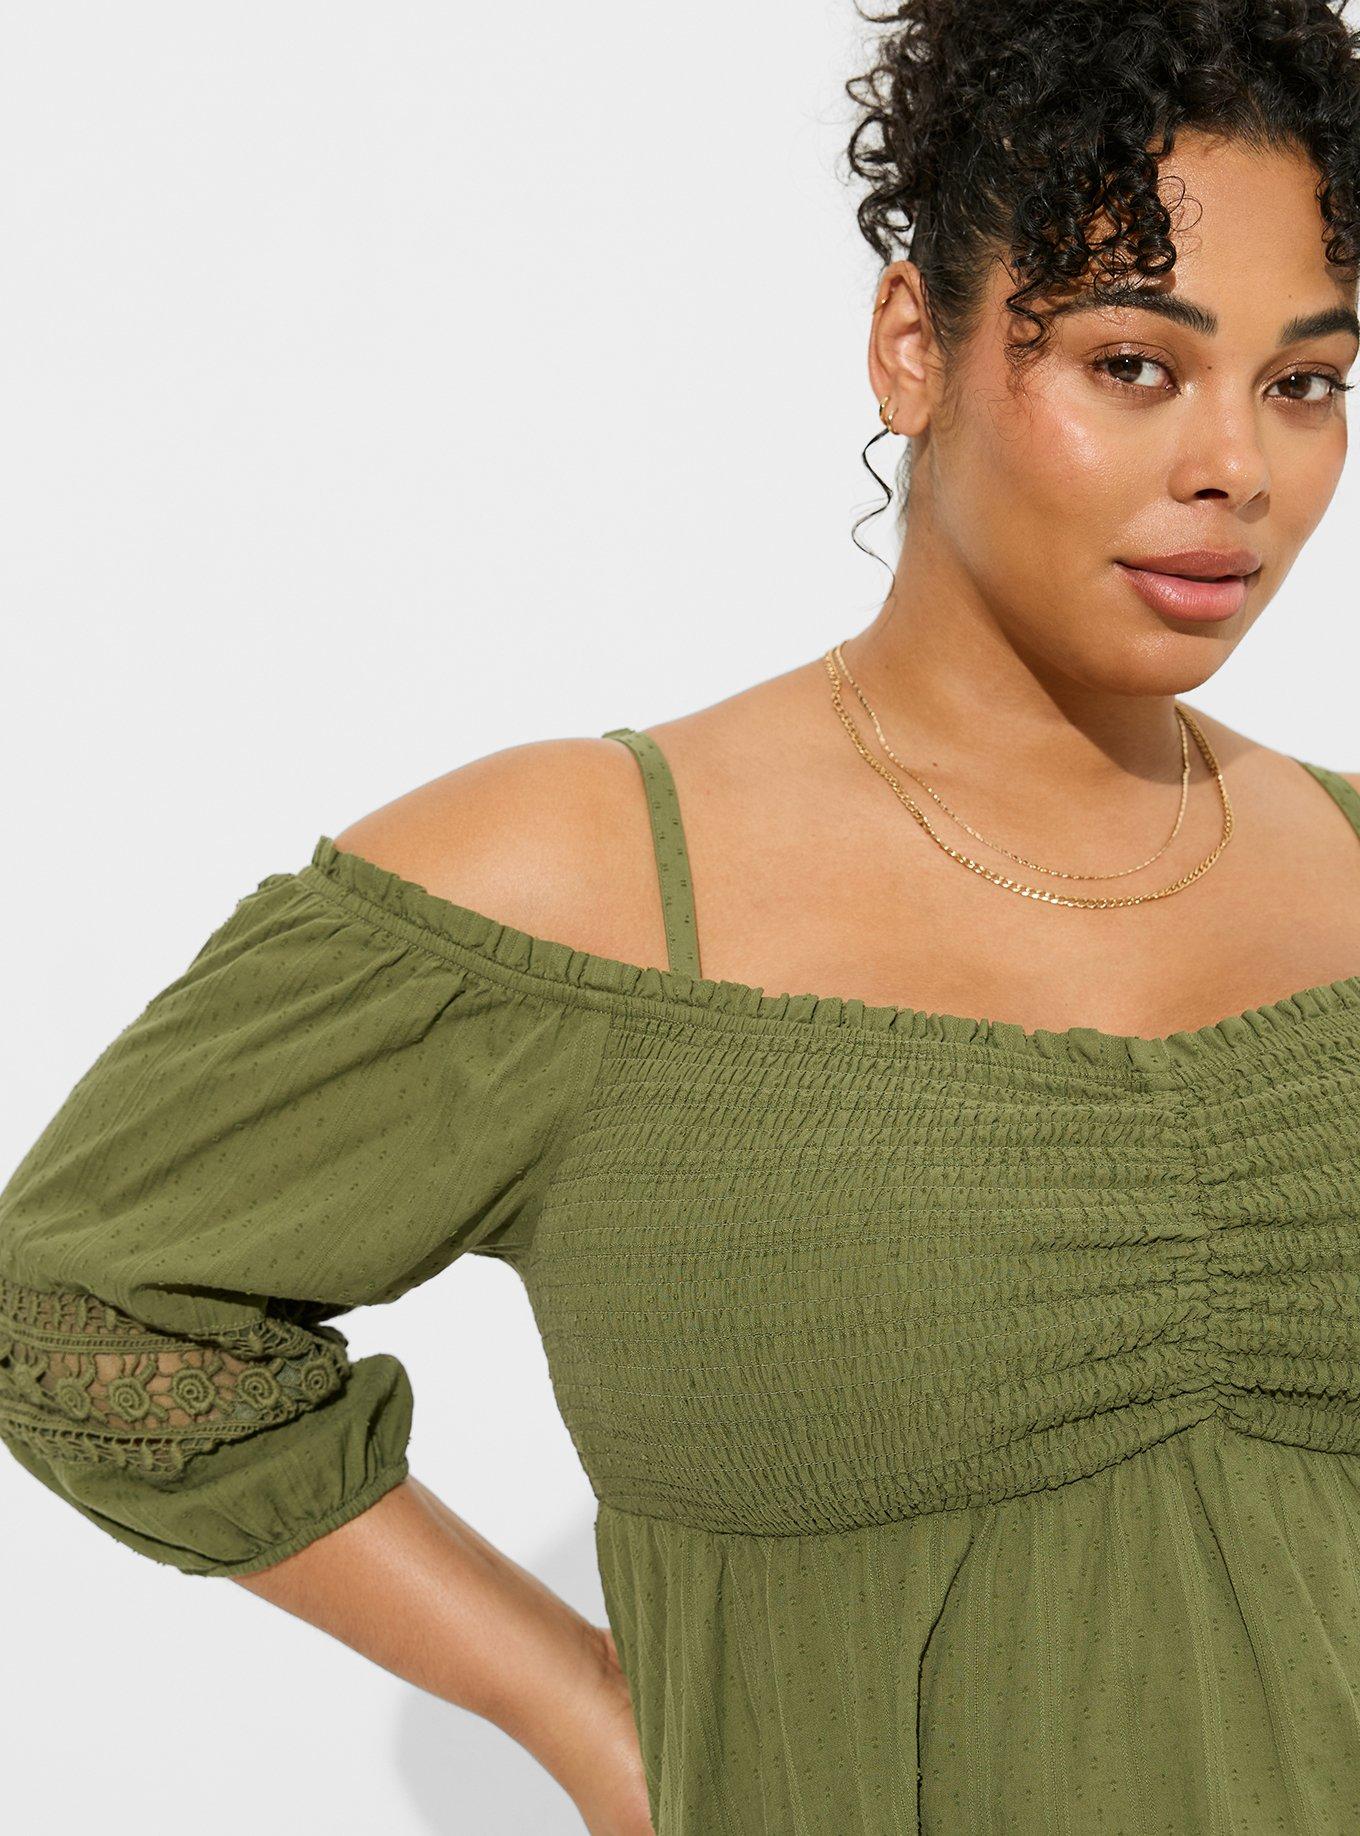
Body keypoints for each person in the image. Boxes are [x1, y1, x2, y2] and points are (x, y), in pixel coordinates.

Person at [4, 1, 1360, 1830]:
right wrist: (580, 1713)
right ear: (912, 345)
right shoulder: (582, 874)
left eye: (1306, 385)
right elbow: (79, 1300)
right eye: (1134, 364)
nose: (1240, 469)